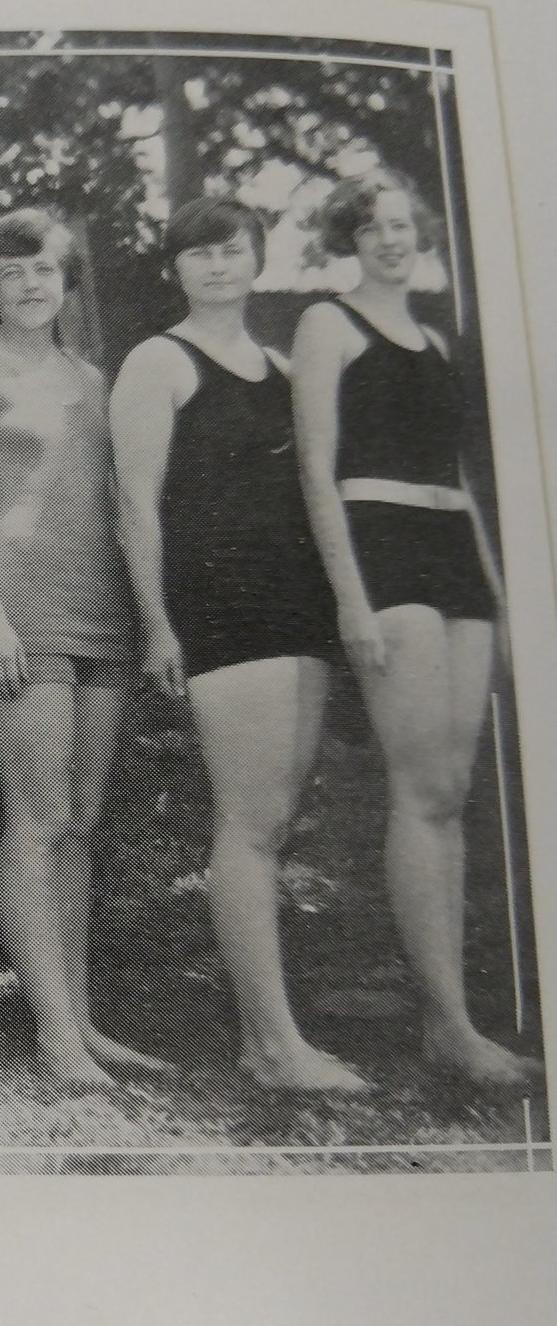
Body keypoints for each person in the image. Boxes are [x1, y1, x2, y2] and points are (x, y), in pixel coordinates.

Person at [110, 198, 370, 1093]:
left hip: (296, 608)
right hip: (222, 609)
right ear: (175, 267)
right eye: (198, 253)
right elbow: (135, 502)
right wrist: (157, 624)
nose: (217, 265)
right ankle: (270, 1046)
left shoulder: (281, 365)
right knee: (249, 827)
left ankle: (271, 1035)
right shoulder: (158, 360)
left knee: (272, 824)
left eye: (232, 250)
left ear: (258, 258)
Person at [291, 169, 540, 1088]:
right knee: (417, 784)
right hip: (380, 543)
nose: (391, 238)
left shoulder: (437, 339)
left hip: (452, 550)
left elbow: (463, 477)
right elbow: (316, 468)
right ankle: (448, 1023)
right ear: (349, 240)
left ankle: (455, 1024)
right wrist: (350, 597)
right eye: (372, 226)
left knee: (453, 785)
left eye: (403, 224)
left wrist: (501, 595)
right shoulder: (330, 323)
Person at [0, 209, 166, 1088]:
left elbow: (120, 498)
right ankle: (53, 1036)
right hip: (17, 602)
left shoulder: (94, 378)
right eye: (14, 271)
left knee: (79, 823)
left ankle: (83, 1021)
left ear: (68, 281)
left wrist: (148, 615)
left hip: (101, 603)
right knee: (36, 819)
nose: (32, 285)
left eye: (46, 271)